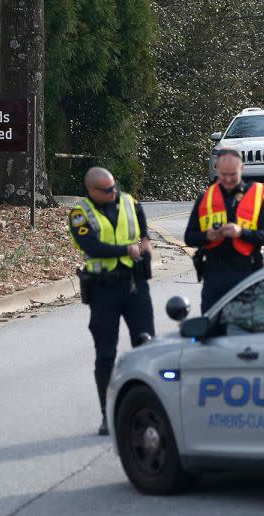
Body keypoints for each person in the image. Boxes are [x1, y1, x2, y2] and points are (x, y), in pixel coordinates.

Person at [69, 167, 154, 436]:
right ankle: (108, 415)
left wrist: (146, 246)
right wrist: (125, 250)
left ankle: (150, 412)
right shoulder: (79, 214)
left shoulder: (130, 203)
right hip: (104, 291)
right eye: (106, 190)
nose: (113, 192)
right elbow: (90, 246)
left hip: (134, 285)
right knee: (105, 354)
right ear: (92, 191)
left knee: (146, 346)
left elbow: (143, 233)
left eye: (114, 186)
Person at [185, 148, 264, 313]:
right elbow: (189, 237)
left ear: (242, 168)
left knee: (244, 327)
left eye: (232, 174)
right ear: (217, 169)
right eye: (223, 174)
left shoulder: (256, 197)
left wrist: (241, 233)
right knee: (211, 327)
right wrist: (207, 236)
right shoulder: (204, 199)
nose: (227, 179)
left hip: (247, 271)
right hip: (214, 273)